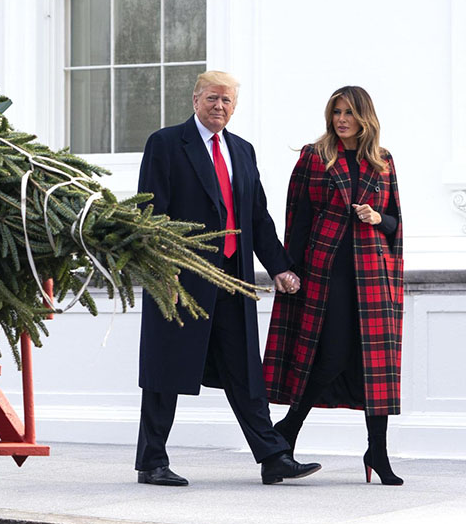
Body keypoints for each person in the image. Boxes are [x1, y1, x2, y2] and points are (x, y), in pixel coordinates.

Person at [135, 70, 321, 486]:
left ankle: (273, 457)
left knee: (245, 370)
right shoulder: (165, 144)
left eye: (228, 101)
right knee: (167, 371)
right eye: (213, 99)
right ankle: (152, 462)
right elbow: (150, 213)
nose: (220, 107)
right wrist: (161, 269)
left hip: (232, 279)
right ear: (195, 99)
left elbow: (256, 216)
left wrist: (280, 266)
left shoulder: (242, 150)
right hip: (181, 279)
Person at [264, 86, 404, 486]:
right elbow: (298, 216)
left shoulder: (383, 161)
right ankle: (287, 430)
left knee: (374, 366)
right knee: (332, 356)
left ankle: (377, 449)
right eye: (336, 112)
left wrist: (377, 218)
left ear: (365, 117)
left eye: (348, 113)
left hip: (373, 277)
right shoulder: (316, 156)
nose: (341, 119)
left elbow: (396, 223)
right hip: (328, 273)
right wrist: (290, 268)